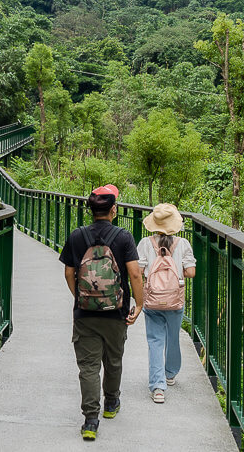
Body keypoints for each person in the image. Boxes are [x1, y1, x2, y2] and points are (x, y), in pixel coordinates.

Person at [58, 184, 144, 441]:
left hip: (85, 315)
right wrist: (138, 305)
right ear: (113, 210)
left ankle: (90, 420)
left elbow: (68, 273)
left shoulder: (76, 236)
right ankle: (111, 404)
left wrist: (81, 298)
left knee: (88, 366)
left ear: (91, 211)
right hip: (116, 312)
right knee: (114, 359)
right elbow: (135, 273)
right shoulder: (123, 237)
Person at [136, 203, 196, 404]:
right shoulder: (183, 243)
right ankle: (170, 373)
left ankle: (158, 387)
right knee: (172, 337)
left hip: (151, 300)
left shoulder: (145, 243)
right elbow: (191, 272)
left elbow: (138, 270)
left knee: (155, 341)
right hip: (175, 301)